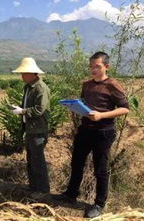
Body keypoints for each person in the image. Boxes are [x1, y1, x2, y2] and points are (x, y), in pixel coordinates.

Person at [54, 52, 129, 218]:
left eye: (97, 66)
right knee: (76, 163)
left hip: (103, 132)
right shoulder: (87, 84)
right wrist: (75, 107)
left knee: (100, 170)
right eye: (91, 66)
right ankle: (71, 195)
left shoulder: (112, 85)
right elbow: (84, 104)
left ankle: (99, 204)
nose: (93, 69)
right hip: (85, 129)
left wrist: (102, 115)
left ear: (106, 67)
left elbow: (125, 108)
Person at [11, 57, 51, 195]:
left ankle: (43, 190)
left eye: (23, 73)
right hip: (30, 128)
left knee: (38, 160)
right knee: (31, 159)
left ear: (32, 73)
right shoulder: (28, 87)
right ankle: (33, 186)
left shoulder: (41, 88)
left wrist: (22, 111)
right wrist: (20, 109)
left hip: (38, 129)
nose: (21, 76)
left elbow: (39, 109)